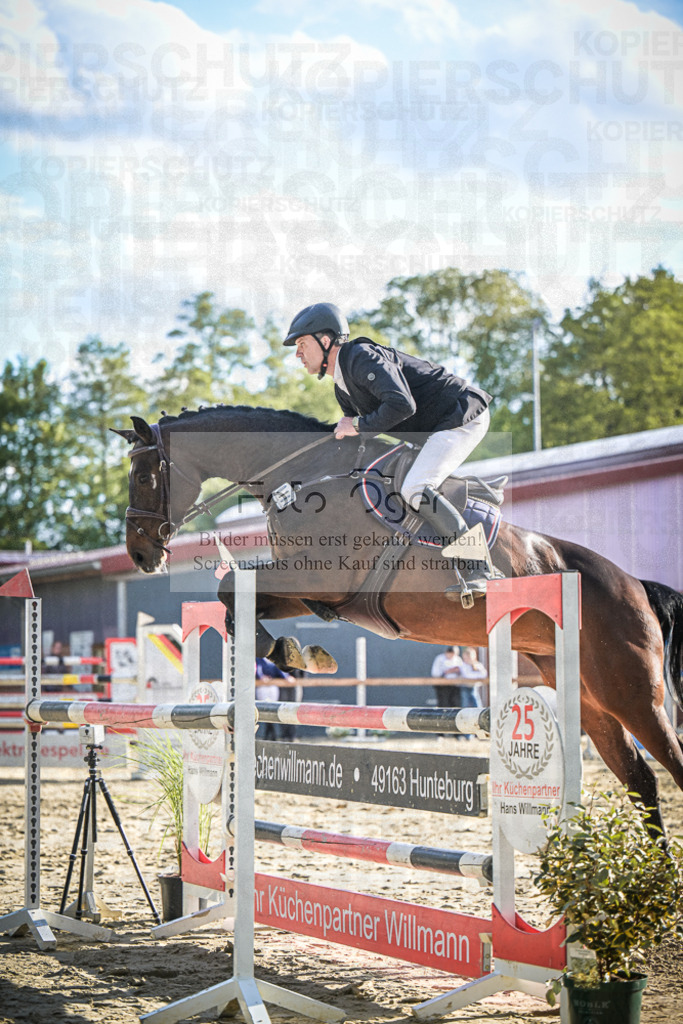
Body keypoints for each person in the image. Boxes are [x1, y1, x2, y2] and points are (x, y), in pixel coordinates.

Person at [284, 302, 501, 599]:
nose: (297, 353)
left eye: (301, 343)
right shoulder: (341, 386)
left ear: (325, 341)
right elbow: (359, 441)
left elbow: (401, 405)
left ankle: (480, 569)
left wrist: (357, 425)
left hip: (459, 417)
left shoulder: (360, 357)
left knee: (415, 488)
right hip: (432, 430)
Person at [255, 657, 292, 741]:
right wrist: (261, 677)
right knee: (264, 708)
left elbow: (279, 670)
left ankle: (271, 734)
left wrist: (286, 677)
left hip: (272, 686)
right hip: (262, 687)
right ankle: (271, 733)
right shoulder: (259, 659)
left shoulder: (274, 659)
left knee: (272, 708)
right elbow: (258, 669)